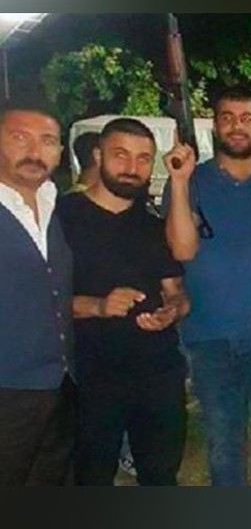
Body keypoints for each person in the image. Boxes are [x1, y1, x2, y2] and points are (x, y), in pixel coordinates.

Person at [163, 85, 251, 486]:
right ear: (214, 127)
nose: (237, 127)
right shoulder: (190, 181)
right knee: (223, 443)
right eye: (227, 118)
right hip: (208, 335)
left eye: (246, 119)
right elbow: (182, 249)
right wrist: (179, 182)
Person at [59, 118, 189, 485]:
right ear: (98, 156)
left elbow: (177, 291)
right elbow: (36, 301)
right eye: (121, 155)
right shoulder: (62, 218)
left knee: (161, 478)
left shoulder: (152, 225)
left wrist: (172, 311)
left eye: (143, 158)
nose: (132, 168)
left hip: (158, 373)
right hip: (91, 376)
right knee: (91, 479)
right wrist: (97, 306)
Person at [0, 101, 74, 486]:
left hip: (57, 383)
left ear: (60, 151)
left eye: (47, 141)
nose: (34, 151)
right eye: (19, 137)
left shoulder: (51, 204)